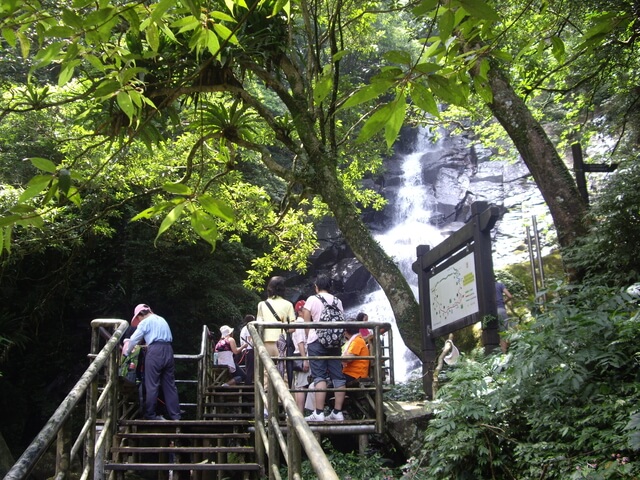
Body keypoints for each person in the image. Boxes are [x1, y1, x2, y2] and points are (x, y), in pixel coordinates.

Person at [123, 304, 181, 420]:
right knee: (170, 385)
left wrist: (127, 352)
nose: (138, 321)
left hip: (155, 351)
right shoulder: (162, 319)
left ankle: (150, 414)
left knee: (152, 384)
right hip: (168, 350)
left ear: (140, 314)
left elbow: (134, 339)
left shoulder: (145, 322)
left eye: (138, 318)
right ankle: (175, 416)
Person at [302, 274, 347, 422]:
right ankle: (337, 412)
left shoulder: (312, 299)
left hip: (317, 340)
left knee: (319, 375)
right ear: (329, 287)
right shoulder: (337, 300)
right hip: (334, 341)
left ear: (316, 286)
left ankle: (319, 412)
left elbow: (307, 322)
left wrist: (311, 337)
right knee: (337, 375)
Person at [255, 276, 295, 371]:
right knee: (284, 372)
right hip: (282, 343)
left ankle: (266, 386)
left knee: (266, 372)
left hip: (265, 342)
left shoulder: (262, 304)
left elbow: (259, 325)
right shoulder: (288, 304)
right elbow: (292, 328)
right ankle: (284, 386)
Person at [292, 300, 310, 412]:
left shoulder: (300, 323)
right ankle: (300, 413)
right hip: (301, 355)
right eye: (306, 309)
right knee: (301, 386)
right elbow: (300, 342)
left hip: (300, 355)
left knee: (299, 385)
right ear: (300, 311)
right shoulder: (300, 323)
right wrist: (305, 360)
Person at [496, 281, 514, 353]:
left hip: (490, 312)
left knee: (493, 332)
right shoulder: (500, 285)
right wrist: (504, 302)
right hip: (500, 309)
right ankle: (504, 354)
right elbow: (510, 296)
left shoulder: (485, 287)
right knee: (503, 333)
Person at [239, 315, 255, 384]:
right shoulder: (249, 327)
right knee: (250, 369)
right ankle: (248, 384)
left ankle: (248, 383)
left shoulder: (244, 328)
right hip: (249, 350)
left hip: (246, 350)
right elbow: (250, 339)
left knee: (249, 368)